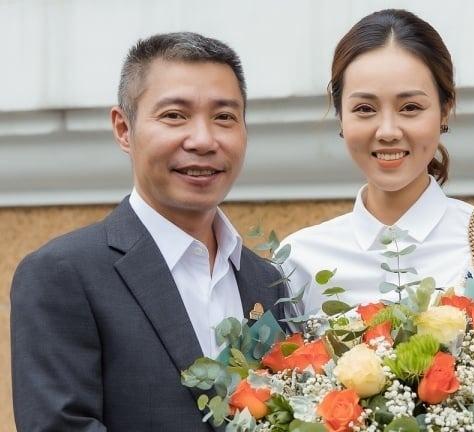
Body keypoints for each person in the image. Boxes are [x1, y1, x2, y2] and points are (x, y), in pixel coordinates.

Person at [281, 9, 474, 430]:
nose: (387, 130)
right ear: (340, 116)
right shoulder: (299, 258)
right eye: (365, 108)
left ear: (445, 109)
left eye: (410, 107)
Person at [11, 32, 287, 431]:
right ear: (124, 129)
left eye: (224, 117)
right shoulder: (63, 274)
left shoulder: (269, 283)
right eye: (175, 115)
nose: (203, 140)